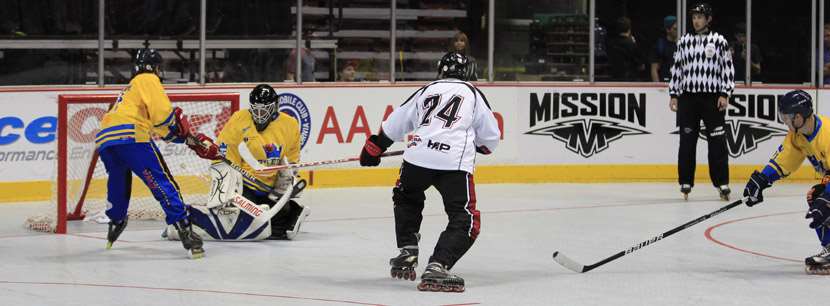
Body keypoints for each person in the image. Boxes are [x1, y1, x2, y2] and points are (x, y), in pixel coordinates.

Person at [359, 51, 500, 292]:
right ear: (468, 73)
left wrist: (375, 147)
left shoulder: (427, 89)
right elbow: (490, 140)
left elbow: (395, 123)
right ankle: (438, 264)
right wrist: (479, 145)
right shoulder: (473, 93)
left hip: (417, 157)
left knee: (406, 196)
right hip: (453, 164)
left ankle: (407, 249)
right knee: (465, 220)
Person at [95, 48, 219, 259]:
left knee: (118, 182)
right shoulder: (148, 79)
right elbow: (163, 117)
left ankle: (115, 221)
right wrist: (182, 131)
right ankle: (185, 230)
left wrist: (185, 139)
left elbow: (162, 128)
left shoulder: (130, 89)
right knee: (161, 182)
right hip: (131, 137)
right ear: (155, 67)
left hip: (106, 141)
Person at [175, 84, 309, 241]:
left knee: (281, 221)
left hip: (269, 190)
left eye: (264, 109)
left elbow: (291, 161)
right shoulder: (239, 119)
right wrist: (229, 190)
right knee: (241, 221)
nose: (259, 114)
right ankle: (188, 221)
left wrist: (282, 188)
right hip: (244, 187)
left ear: (275, 107)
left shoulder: (290, 125)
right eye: (256, 109)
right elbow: (225, 158)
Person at [742, 90, 830, 275]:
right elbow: (784, 159)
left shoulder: (827, 134)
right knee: (816, 196)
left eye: (787, 117)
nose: (785, 121)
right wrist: (762, 179)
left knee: (823, 200)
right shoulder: (798, 136)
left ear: (799, 116)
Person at [668, 3, 735, 200]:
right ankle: (685, 181)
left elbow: (728, 69)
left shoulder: (719, 41)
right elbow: (676, 69)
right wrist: (673, 94)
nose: (696, 20)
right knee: (687, 142)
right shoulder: (683, 41)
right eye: (694, 17)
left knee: (717, 142)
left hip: (712, 99)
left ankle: (722, 182)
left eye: (699, 17)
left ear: (708, 19)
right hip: (688, 98)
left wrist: (725, 93)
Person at [606, 17, 645, 81]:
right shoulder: (632, 44)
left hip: (614, 78)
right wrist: (633, 43)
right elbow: (641, 66)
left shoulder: (611, 43)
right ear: (629, 29)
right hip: (630, 79)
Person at [649, 16, 678, 82]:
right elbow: (654, 69)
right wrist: (658, 88)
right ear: (668, 30)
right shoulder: (660, 45)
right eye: (675, 29)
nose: (677, 31)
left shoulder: (683, 44)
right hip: (665, 84)